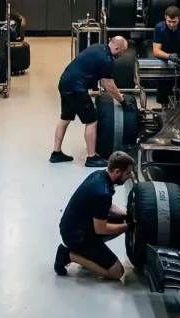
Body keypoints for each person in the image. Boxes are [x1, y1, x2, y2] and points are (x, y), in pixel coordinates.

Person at [54, 151, 135, 280]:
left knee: (119, 221)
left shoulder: (100, 175)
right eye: (128, 173)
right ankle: (68, 255)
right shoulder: (102, 193)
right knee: (117, 272)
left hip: (73, 225)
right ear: (117, 172)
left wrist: (126, 215)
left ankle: (89, 254)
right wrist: (127, 227)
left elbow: (107, 206)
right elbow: (101, 229)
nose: (129, 177)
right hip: (76, 236)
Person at [52, 36, 129, 168]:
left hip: (64, 83)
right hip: (76, 88)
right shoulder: (107, 60)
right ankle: (91, 157)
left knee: (65, 118)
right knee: (91, 121)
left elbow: (88, 67)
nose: (121, 54)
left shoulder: (97, 47)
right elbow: (109, 85)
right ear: (116, 48)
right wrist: (122, 101)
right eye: (122, 51)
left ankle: (56, 153)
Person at [151, 6, 180, 106]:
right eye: (169, 21)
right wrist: (169, 56)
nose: (171, 24)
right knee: (163, 94)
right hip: (165, 61)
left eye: (174, 22)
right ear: (165, 17)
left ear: (179, 18)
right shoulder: (159, 28)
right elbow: (156, 50)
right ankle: (164, 111)